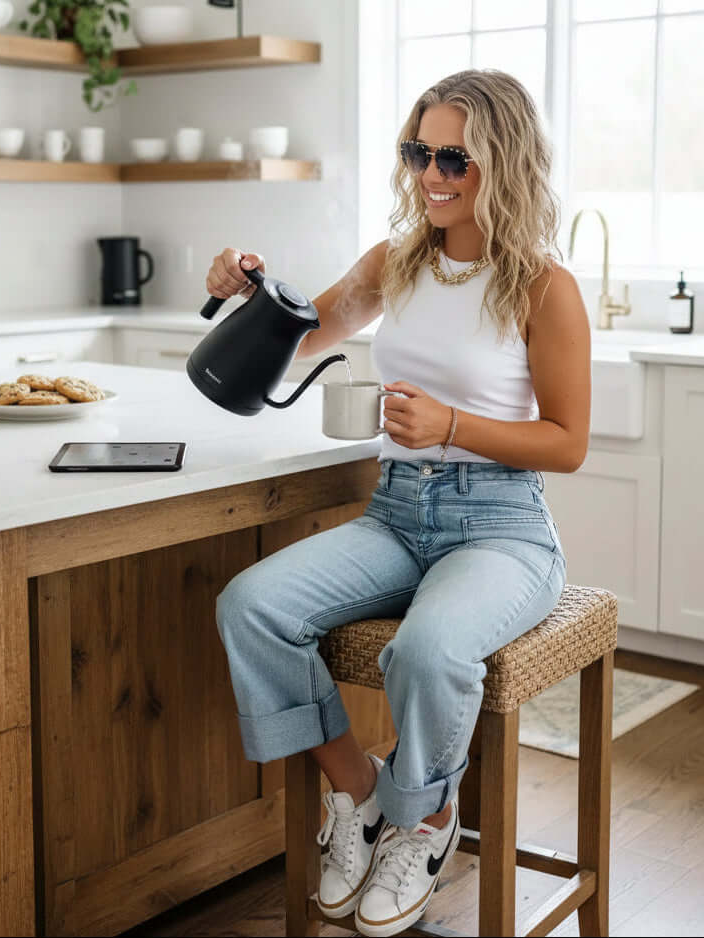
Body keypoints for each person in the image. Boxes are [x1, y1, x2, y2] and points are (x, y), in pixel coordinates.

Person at [209, 68, 590, 938]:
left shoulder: (542, 286)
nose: (432, 174)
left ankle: (424, 823)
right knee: (253, 606)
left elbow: (567, 441)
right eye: (419, 152)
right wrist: (248, 288)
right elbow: (304, 331)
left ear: (506, 159)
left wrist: (455, 422)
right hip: (398, 513)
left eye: (454, 156)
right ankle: (363, 793)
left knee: (426, 651)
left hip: (502, 531)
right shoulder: (397, 263)